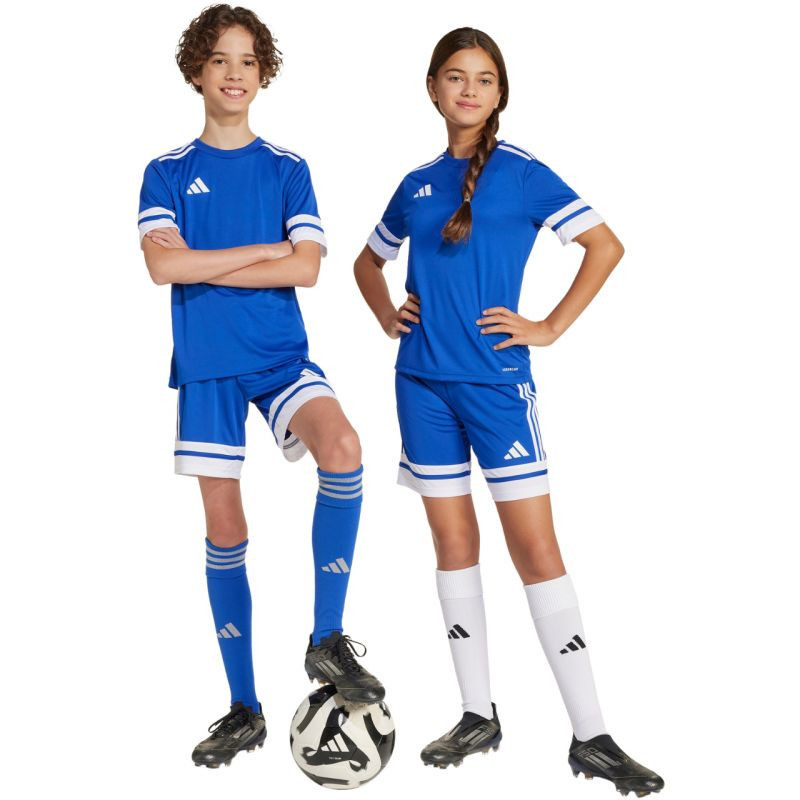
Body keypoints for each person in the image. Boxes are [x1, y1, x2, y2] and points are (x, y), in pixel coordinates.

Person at [354, 27, 663, 796]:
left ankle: (591, 735)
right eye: (455, 77)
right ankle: (476, 714)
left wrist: (548, 327)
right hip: (420, 386)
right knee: (453, 543)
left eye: (484, 79)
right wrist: (388, 313)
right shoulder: (416, 183)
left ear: (499, 94)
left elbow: (605, 245)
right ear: (432, 88)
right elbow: (367, 261)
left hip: (497, 388)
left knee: (535, 549)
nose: (469, 90)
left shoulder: (523, 173)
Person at [137, 4, 383, 769]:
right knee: (225, 529)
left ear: (264, 72)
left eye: (247, 60)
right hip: (207, 363)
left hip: (280, 356)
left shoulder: (287, 168)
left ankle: (326, 639)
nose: (234, 72)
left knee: (344, 448)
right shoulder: (166, 170)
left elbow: (306, 270)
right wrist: (265, 250)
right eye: (220, 59)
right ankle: (244, 707)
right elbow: (163, 266)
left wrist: (213, 259)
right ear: (196, 71)